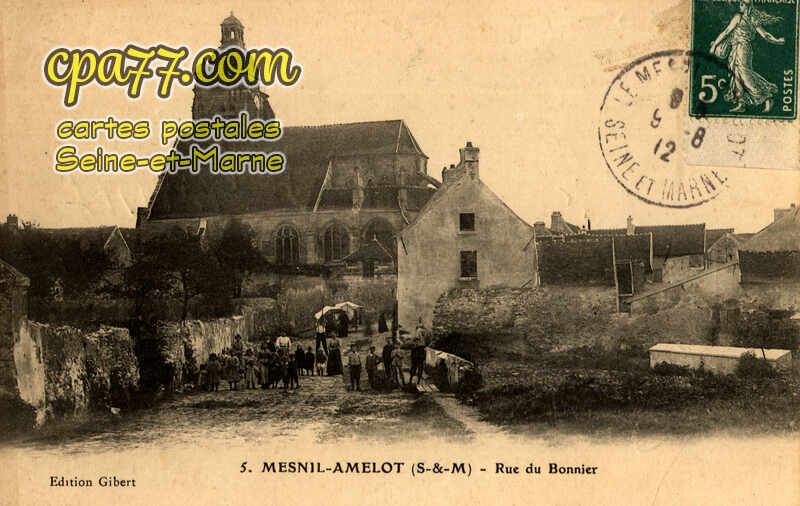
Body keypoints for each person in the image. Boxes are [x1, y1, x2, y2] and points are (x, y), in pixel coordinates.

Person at [710, 0, 786, 113]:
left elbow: (727, 32)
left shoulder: (741, 17)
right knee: (736, 75)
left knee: (745, 75)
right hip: (737, 49)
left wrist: (777, 41)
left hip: (743, 49)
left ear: (748, 7)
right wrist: (776, 40)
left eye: (742, 4)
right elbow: (765, 35)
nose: (739, 6)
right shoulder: (750, 18)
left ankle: (766, 96)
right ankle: (741, 104)